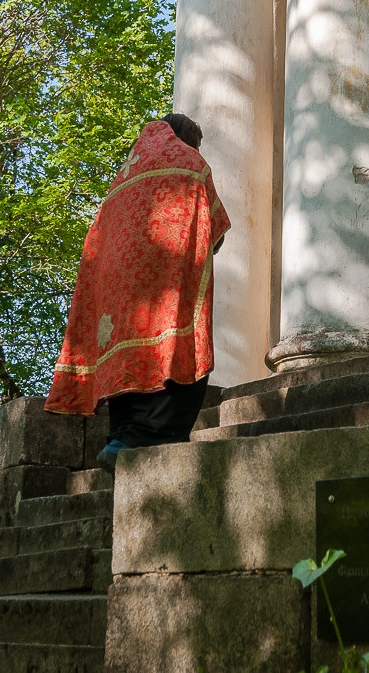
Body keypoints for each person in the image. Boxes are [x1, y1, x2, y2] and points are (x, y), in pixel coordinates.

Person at [46, 113, 231, 472]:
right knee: (173, 351)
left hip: (116, 295)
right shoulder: (189, 162)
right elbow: (215, 229)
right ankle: (144, 437)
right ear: (186, 139)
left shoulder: (122, 180)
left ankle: (122, 435)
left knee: (127, 357)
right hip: (162, 281)